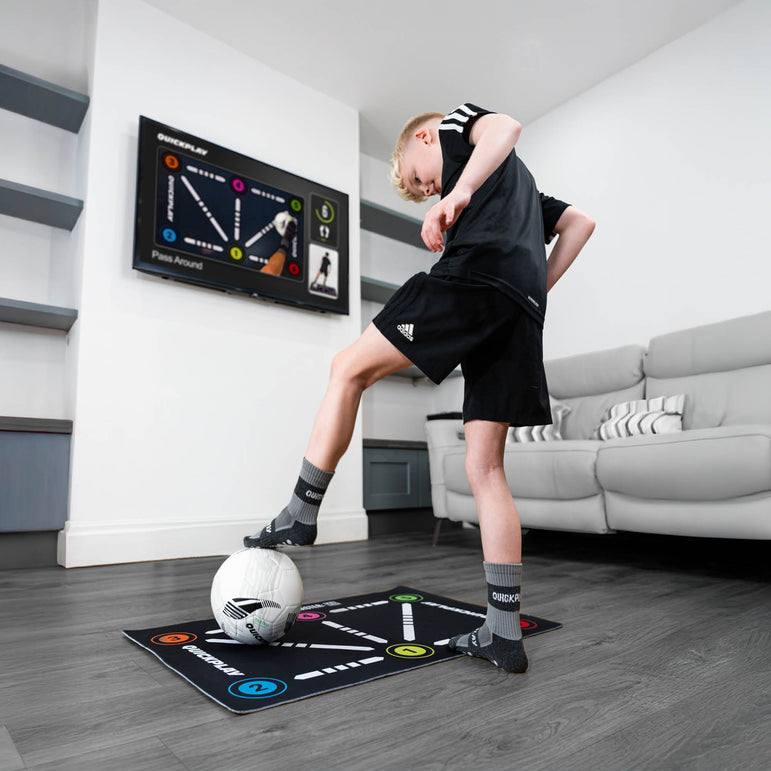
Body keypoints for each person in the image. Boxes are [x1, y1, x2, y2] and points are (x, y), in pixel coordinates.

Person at [245, 103, 595, 673]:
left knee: (346, 368)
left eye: (418, 179)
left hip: (473, 280)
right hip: (519, 315)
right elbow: (581, 223)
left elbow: (505, 127)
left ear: (423, 138)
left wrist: (458, 195)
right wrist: (536, 289)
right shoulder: (522, 189)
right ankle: (502, 634)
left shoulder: (460, 127)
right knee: (486, 469)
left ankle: (300, 510)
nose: (429, 190)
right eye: (424, 191)